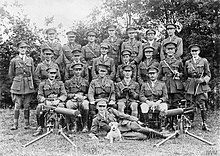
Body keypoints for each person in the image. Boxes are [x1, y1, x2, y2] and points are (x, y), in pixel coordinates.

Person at [88, 99, 168, 140]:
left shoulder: (111, 110)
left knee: (141, 128)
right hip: (119, 133)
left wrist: (136, 120)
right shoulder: (96, 119)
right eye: (100, 106)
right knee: (142, 137)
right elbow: (93, 132)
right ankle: (153, 136)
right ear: (97, 107)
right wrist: (93, 136)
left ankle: (163, 136)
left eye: (103, 106)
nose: (102, 108)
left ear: (106, 106)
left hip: (125, 124)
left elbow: (123, 115)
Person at [8, 41, 36, 130]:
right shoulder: (14, 60)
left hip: (28, 84)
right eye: (21, 48)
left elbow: (32, 73)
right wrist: (17, 81)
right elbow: (11, 74)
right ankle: (15, 124)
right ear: (18, 49)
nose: (23, 50)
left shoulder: (30, 60)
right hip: (18, 85)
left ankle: (27, 124)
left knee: (27, 105)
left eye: (25, 48)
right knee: (17, 104)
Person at [33, 67, 67, 136]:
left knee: (63, 107)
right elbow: (39, 95)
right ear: (47, 74)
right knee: (39, 107)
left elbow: (64, 94)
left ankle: (63, 127)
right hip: (47, 102)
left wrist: (59, 100)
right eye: (51, 73)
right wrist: (45, 100)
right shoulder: (42, 84)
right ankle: (40, 127)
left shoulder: (60, 83)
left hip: (57, 102)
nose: (53, 75)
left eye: (54, 73)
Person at [184, 44, 211, 131]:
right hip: (191, 85)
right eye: (192, 51)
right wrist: (186, 84)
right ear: (190, 52)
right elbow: (185, 75)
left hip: (200, 86)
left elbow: (208, 74)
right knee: (190, 105)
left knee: (202, 105)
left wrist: (203, 80)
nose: (194, 53)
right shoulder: (188, 62)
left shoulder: (204, 61)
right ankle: (189, 122)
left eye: (196, 51)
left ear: (199, 51)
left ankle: (204, 123)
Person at [139, 65, 168, 131]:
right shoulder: (144, 84)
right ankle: (147, 124)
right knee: (143, 106)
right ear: (148, 75)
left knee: (164, 106)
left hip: (158, 103)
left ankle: (162, 126)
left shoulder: (162, 84)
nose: (152, 75)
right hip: (148, 102)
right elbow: (141, 96)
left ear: (157, 74)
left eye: (153, 73)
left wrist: (159, 101)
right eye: (150, 74)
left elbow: (165, 96)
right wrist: (147, 101)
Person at [158, 42, 184, 109]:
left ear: (175, 50)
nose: (170, 51)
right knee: (167, 103)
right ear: (165, 51)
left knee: (176, 103)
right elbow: (159, 76)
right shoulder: (162, 62)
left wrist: (178, 74)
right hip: (166, 85)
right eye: (168, 49)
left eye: (172, 49)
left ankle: (175, 119)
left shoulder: (179, 62)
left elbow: (183, 74)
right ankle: (167, 119)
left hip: (176, 85)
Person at [65, 63, 89, 133]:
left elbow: (89, 93)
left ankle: (85, 125)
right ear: (73, 71)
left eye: (79, 70)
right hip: (73, 99)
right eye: (76, 70)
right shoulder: (68, 82)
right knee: (69, 104)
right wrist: (74, 96)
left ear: (82, 71)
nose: (78, 71)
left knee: (86, 104)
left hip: (83, 99)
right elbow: (66, 94)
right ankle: (73, 124)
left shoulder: (86, 82)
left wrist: (84, 97)